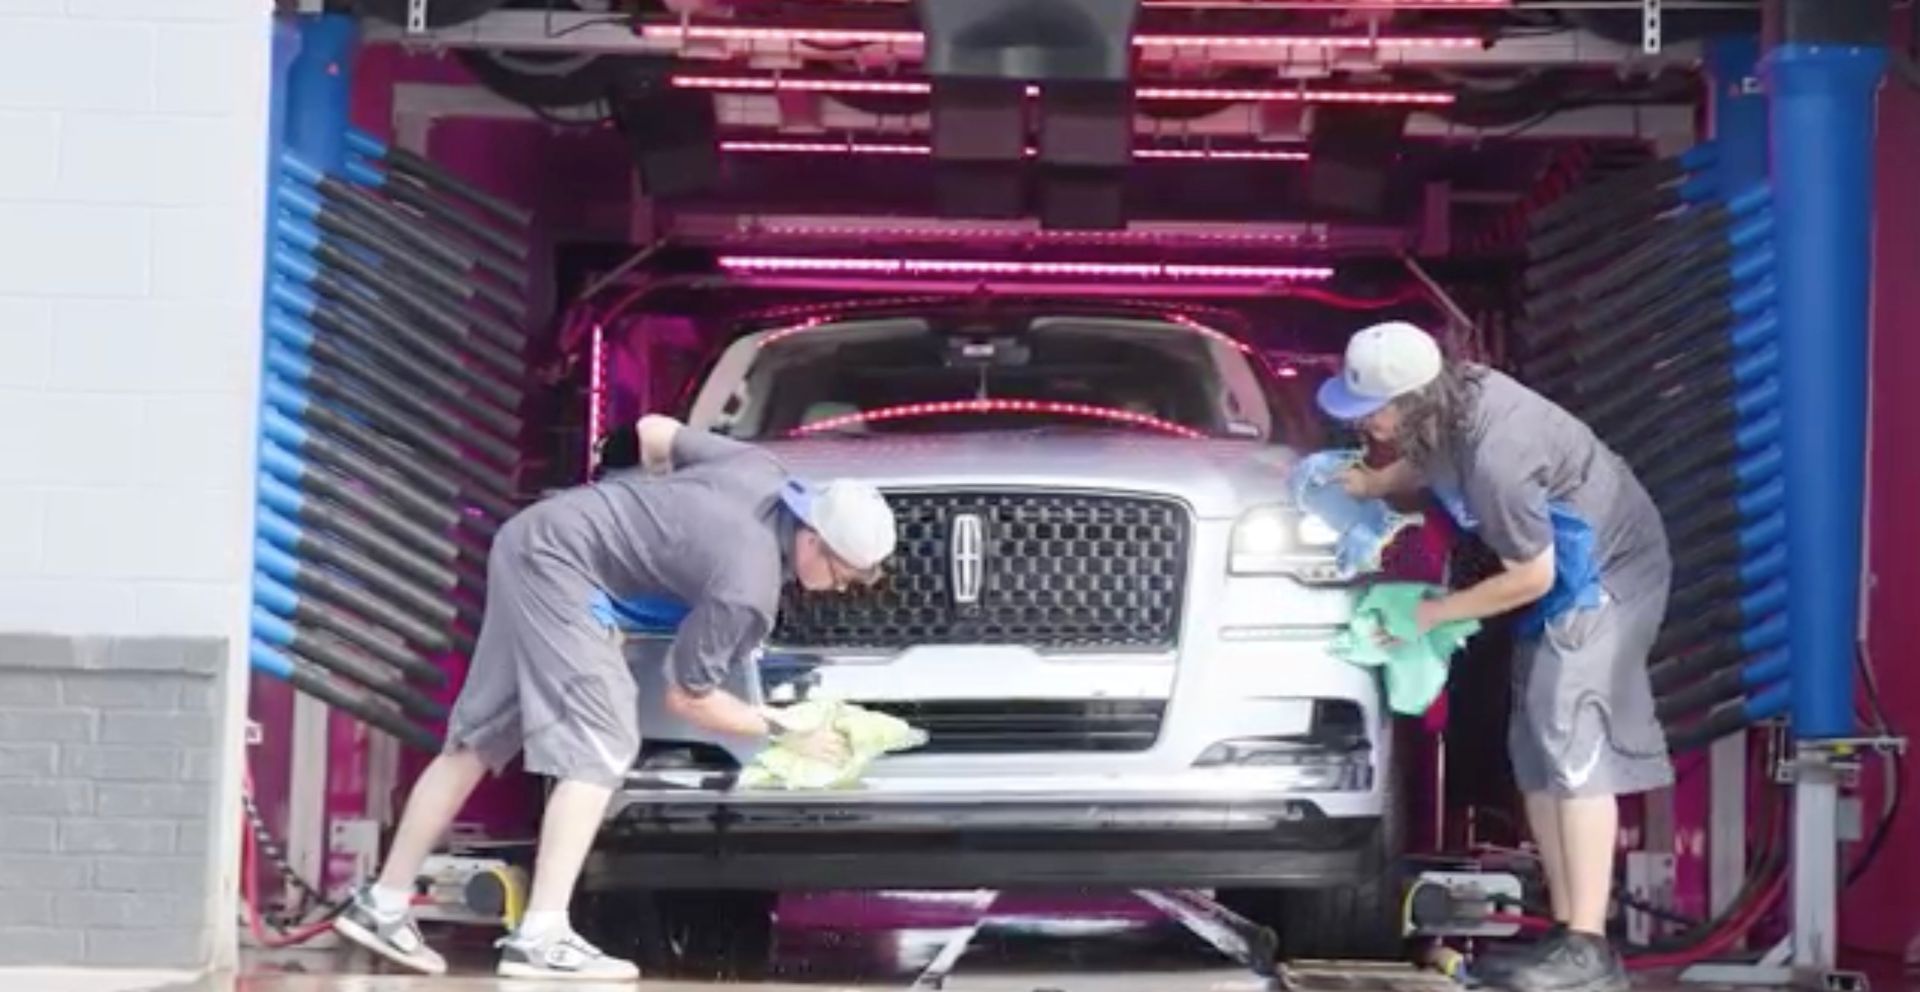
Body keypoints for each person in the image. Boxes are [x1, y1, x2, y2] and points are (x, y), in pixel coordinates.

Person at [332, 415, 898, 980]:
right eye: (843, 575)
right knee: (604, 742)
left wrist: (629, 511)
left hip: (534, 535)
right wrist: (784, 727)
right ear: (813, 540)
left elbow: (653, 430)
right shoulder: (749, 586)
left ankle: (382, 904)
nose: (840, 587)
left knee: (476, 741)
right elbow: (688, 696)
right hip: (563, 568)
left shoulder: (761, 468)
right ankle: (542, 936)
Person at [1318, 321, 1672, 992]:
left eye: (1370, 414)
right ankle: (1569, 937)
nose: (1364, 425)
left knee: (1573, 744)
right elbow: (1429, 458)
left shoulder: (1497, 455)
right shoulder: (1452, 404)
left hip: (1604, 574)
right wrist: (1369, 485)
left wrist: (1429, 614)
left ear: (1413, 401)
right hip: (1560, 571)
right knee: (1535, 742)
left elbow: (1531, 578)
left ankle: (1591, 950)